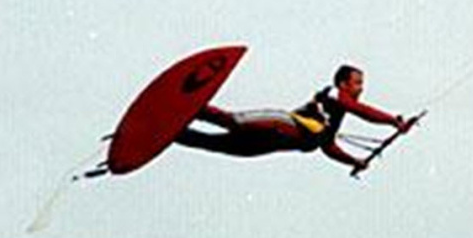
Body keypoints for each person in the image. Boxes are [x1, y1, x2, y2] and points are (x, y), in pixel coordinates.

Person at [174, 64, 413, 173]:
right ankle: (192, 107)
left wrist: (353, 161)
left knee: (214, 144)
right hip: (282, 123)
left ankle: (173, 134)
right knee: (234, 121)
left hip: (269, 144)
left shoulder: (330, 124)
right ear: (342, 84)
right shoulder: (333, 94)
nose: (361, 88)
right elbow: (364, 112)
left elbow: (328, 147)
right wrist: (394, 121)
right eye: (357, 83)